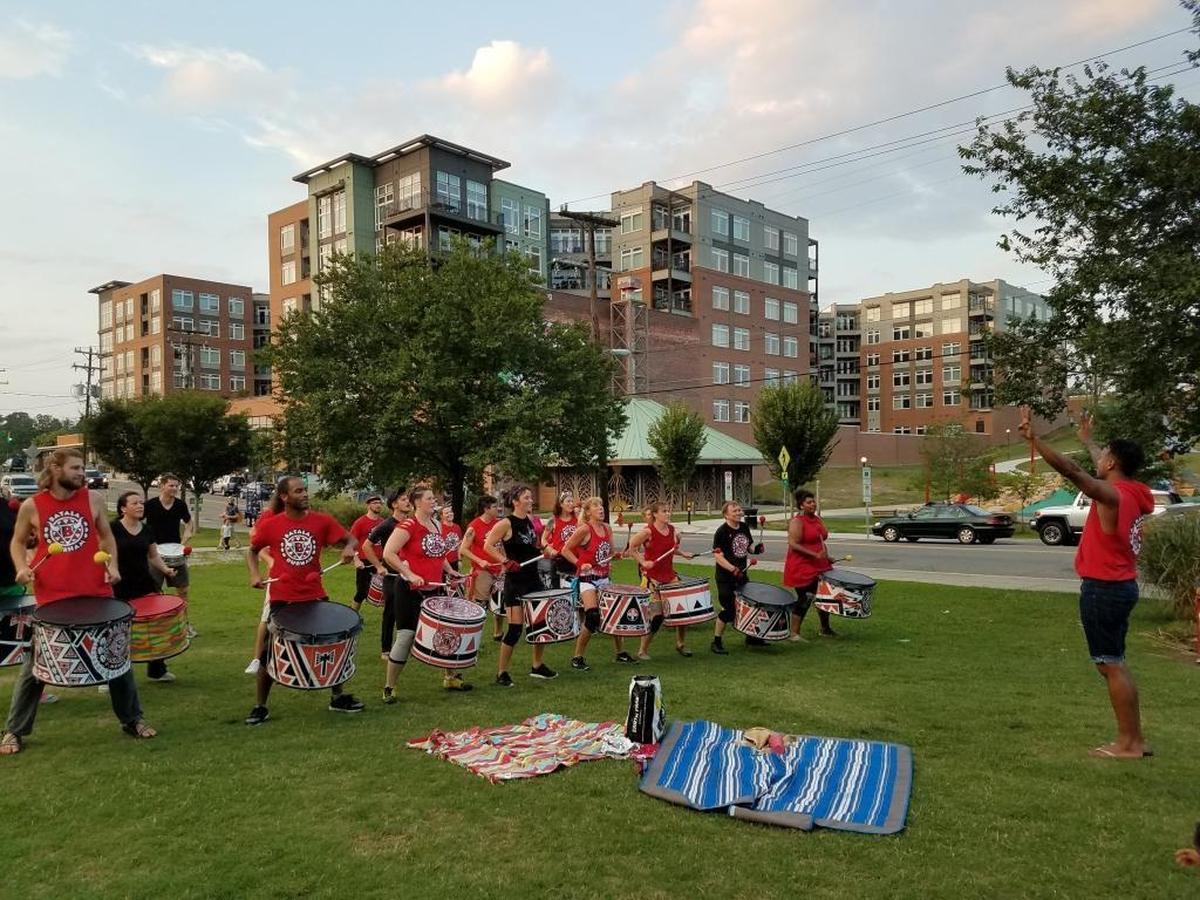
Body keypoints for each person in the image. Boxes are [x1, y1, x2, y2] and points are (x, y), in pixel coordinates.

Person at [1, 449, 156, 754]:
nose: (81, 473)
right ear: (55, 468)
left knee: (116, 657)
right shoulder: (32, 506)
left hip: (96, 592)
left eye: (83, 468)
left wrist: (112, 566)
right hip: (52, 596)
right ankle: (14, 731)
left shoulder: (93, 499)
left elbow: (107, 537)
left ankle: (132, 719)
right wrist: (21, 567)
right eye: (75, 468)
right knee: (36, 666)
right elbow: (18, 542)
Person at [1020, 408, 1154, 759]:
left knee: (1110, 664)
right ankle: (1134, 739)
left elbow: (1074, 471)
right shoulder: (1133, 491)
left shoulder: (1113, 496)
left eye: (1105, 455)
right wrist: (1088, 441)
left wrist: (1036, 440)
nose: (1101, 459)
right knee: (1115, 663)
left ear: (1112, 464)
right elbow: (1096, 463)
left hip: (1104, 589)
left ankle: (1129, 743)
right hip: (1121, 586)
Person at [244, 476, 363, 726]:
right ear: (285, 497)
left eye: (304, 490)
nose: (304, 494)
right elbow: (253, 550)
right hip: (282, 597)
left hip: (314, 595)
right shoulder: (272, 525)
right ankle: (260, 706)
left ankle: (337, 697)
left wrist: (349, 548)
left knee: (332, 643)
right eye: (298, 491)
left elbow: (351, 539)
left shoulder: (321, 521)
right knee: (269, 652)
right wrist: (255, 574)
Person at [380, 484, 470, 702]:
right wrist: (408, 574)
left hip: (434, 588)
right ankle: (389, 687)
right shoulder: (408, 525)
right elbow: (388, 553)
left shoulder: (437, 525)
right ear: (417, 502)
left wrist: (450, 572)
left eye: (433, 498)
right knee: (406, 636)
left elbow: (439, 556)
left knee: (446, 631)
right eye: (429, 498)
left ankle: (450, 677)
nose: (433, 501)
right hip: (409, 590)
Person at [485, 485, 558, 686]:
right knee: (515, 628)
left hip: (533, 577)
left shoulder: (530, 521)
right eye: (526, 497)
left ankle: (537, 666)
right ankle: (502, 672)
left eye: (530, 497)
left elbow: (534, 546)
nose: (530, 500)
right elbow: (487, 545)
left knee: (539, 625)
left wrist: (546, 549)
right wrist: (505, 561)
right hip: (515, 581)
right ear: (515, 501)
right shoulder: (506, 523)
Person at [112, 490, 179, 682]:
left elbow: (153, 555)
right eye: (134, 503)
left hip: (144, 583)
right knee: (118, 630)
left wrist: (166, 569)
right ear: (123, 508)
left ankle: (157, 670)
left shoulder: (147, 529)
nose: (140, 506)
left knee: (153, 626)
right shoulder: (113, 528)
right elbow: (103, 553)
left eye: (141, 503)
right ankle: (112, 675)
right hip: (120, 585)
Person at [0, 497, 56, 707]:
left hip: (10, 581)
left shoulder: (8, 507)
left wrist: (32, 543)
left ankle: (34, 691)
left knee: (26, 641)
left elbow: (20, 539)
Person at [562, 496, 629, 670]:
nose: (601, 508)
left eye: (601, 505)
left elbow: (610, 552)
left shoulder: (607, 528)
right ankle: (577, 657)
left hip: (604, 578)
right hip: (587, 579)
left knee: (614, 614)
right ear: (588, 511)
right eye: (596, 506)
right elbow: (565, 550)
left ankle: (620, 653)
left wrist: (617, 556)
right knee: (592, 616)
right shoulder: (584, 530)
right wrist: (579, 563)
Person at [630, 502, 696, 660]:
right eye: (664, 511)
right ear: (655, 514)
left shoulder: (672, 530)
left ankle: (680, 644)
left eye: (668, 511)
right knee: (657, 616)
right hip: (653, 578)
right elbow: (631, 548)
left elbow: (670, 549)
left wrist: (682, 553)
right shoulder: (648, 531)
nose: (668, 514)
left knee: (681, 612)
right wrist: (643, 562)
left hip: (670, 575)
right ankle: (642, 650)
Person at [362, 489, 412, 659]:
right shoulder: (386, 525)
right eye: (403, 499)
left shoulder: (412, 523)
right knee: (390, 613)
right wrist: (378, 566)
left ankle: (406, 646)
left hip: (409, 575)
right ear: (394, 504)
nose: (407, 502)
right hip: (391, 576)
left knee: (408, 612)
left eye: (408, 499)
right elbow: (366, 546)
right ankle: (385, 649)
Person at [710, 501, 764, 655]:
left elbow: (748, 547)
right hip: (725, 577)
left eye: (739, 510)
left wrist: (757, 550)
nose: (739, 512)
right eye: (735, 510)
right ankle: (716, 641)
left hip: (742, 574)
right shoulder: (721, 531)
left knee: (748, 605)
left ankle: (751, 637)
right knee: (729, 609)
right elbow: (718, 556)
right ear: (726, 514)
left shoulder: (744, 527)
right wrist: (732, 568)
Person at [783, 489, 836, 640]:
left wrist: (827, 557)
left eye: (813, 501)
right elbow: (793, 544)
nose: (813, 504)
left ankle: (825, 628)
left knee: (824, 596)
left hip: (820, 564)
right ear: (801, 505)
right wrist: (815, 555)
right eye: (809, 502)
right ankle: (794, 633)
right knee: (805, 597)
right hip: (802, 566)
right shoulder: (797, 521)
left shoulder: (817, 519)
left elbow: (820, 540)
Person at [144, 473, 194, 635]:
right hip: (155, 553)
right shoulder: (150, 505)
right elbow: (137, 521)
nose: (174, 488)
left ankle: (184, 625)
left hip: (175, 552)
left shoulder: (180, 505)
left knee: (183, 590)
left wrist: (185, 539)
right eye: (171, 485)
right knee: (154, 591)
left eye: (176, 486)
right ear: (162, 486)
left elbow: (189, 523)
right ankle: (156, 626)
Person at [461, 495, 502, 640]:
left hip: (499, 569)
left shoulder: (499, 524)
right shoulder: (474, 526)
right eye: (495, 506)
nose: (499, 508)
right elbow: (463, 549)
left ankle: (498, 632)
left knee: (499, 602)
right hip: (482, 571)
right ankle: (472, 635)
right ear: (486, 509)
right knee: (480, 603)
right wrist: (480, 561)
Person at [348, 494, 385, 613]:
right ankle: (353, 616)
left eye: (379, 503)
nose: (378, 505)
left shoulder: (383, 522)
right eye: (374, 503)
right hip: (365, 562)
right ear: (368, 505)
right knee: (361, 592)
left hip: (380, 561)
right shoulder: (360, 522)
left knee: (385, 591)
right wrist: (356, 560)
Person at [541, 492, 579, 589]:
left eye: (572, 501)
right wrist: (549, 549)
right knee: (559, 593)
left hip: (576, 560)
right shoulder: (553, 520)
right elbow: (543, 539)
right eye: (568, 501)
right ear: (561, 504)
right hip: (559, 561)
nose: (571, 504)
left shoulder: (578, 519)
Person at [441, 504, 463, 573]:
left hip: (455, 562)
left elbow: (458, 545)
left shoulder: (457, 527)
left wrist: (459, 560)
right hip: (443, 562)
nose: (449, 514)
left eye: (450, 512)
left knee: (455, 582)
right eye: (446, 513)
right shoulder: (439, 528)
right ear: (441, 516)